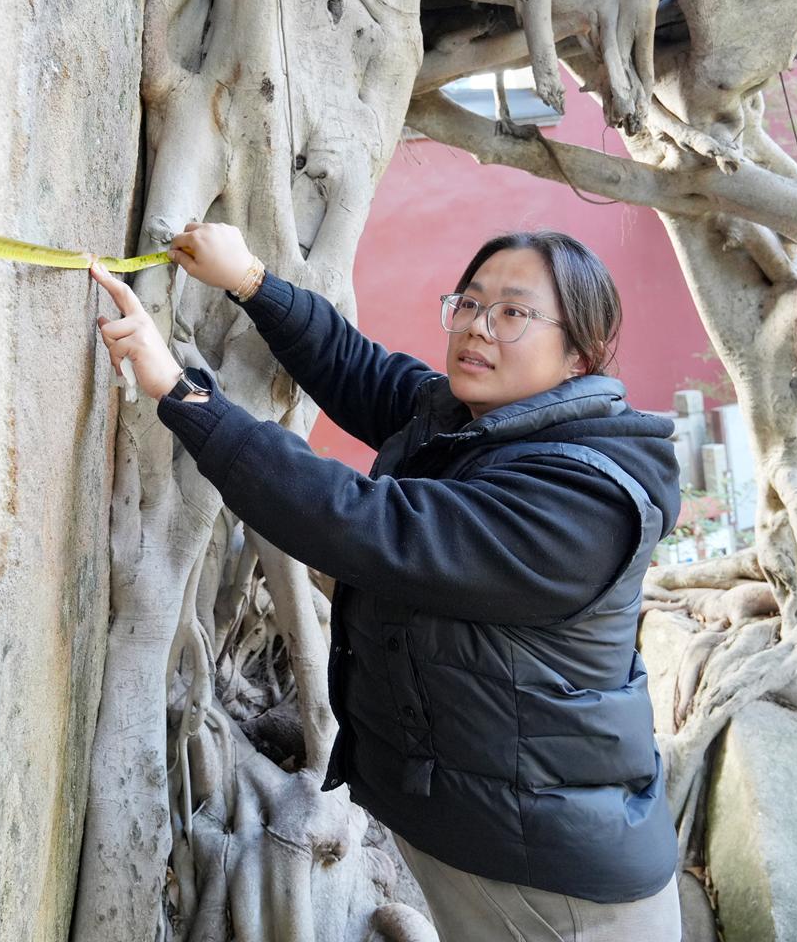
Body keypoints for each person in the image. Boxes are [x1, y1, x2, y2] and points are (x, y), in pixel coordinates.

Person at [89, 221, 683, 942]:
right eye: (468, 303)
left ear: (580, 354)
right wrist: (249, 279)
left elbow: (372, 526)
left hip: (562, 888)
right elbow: (361, 371)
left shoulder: (584, 503)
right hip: (490, 833)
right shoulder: (479, 423)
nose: (478, 327)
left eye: (513, 312)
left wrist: (182, 396)